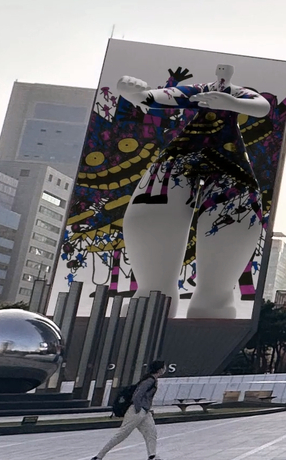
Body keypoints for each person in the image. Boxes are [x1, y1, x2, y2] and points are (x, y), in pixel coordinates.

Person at [115, 65, 275, 318]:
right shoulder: (199, 91)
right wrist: (137, 94)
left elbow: (262, 106)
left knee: (233, 218)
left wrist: (230, 102)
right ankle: (153, 293)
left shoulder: (238, 93)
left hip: (228, 161)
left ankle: (215, 297)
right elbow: (165, 97)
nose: (223, 71)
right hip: (184, 155)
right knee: (150, 213)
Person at [90, 360, 168, 460]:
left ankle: (152, 457)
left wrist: (145, 410)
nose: (165, 369)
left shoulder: (152, 380)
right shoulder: (149, 380)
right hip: (137, 411)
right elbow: (137, 395)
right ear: (160, 369)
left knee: (151, 432)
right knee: (122, 434)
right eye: (164, 367)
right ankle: (97, 458)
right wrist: (138, 409)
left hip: (144, 411)